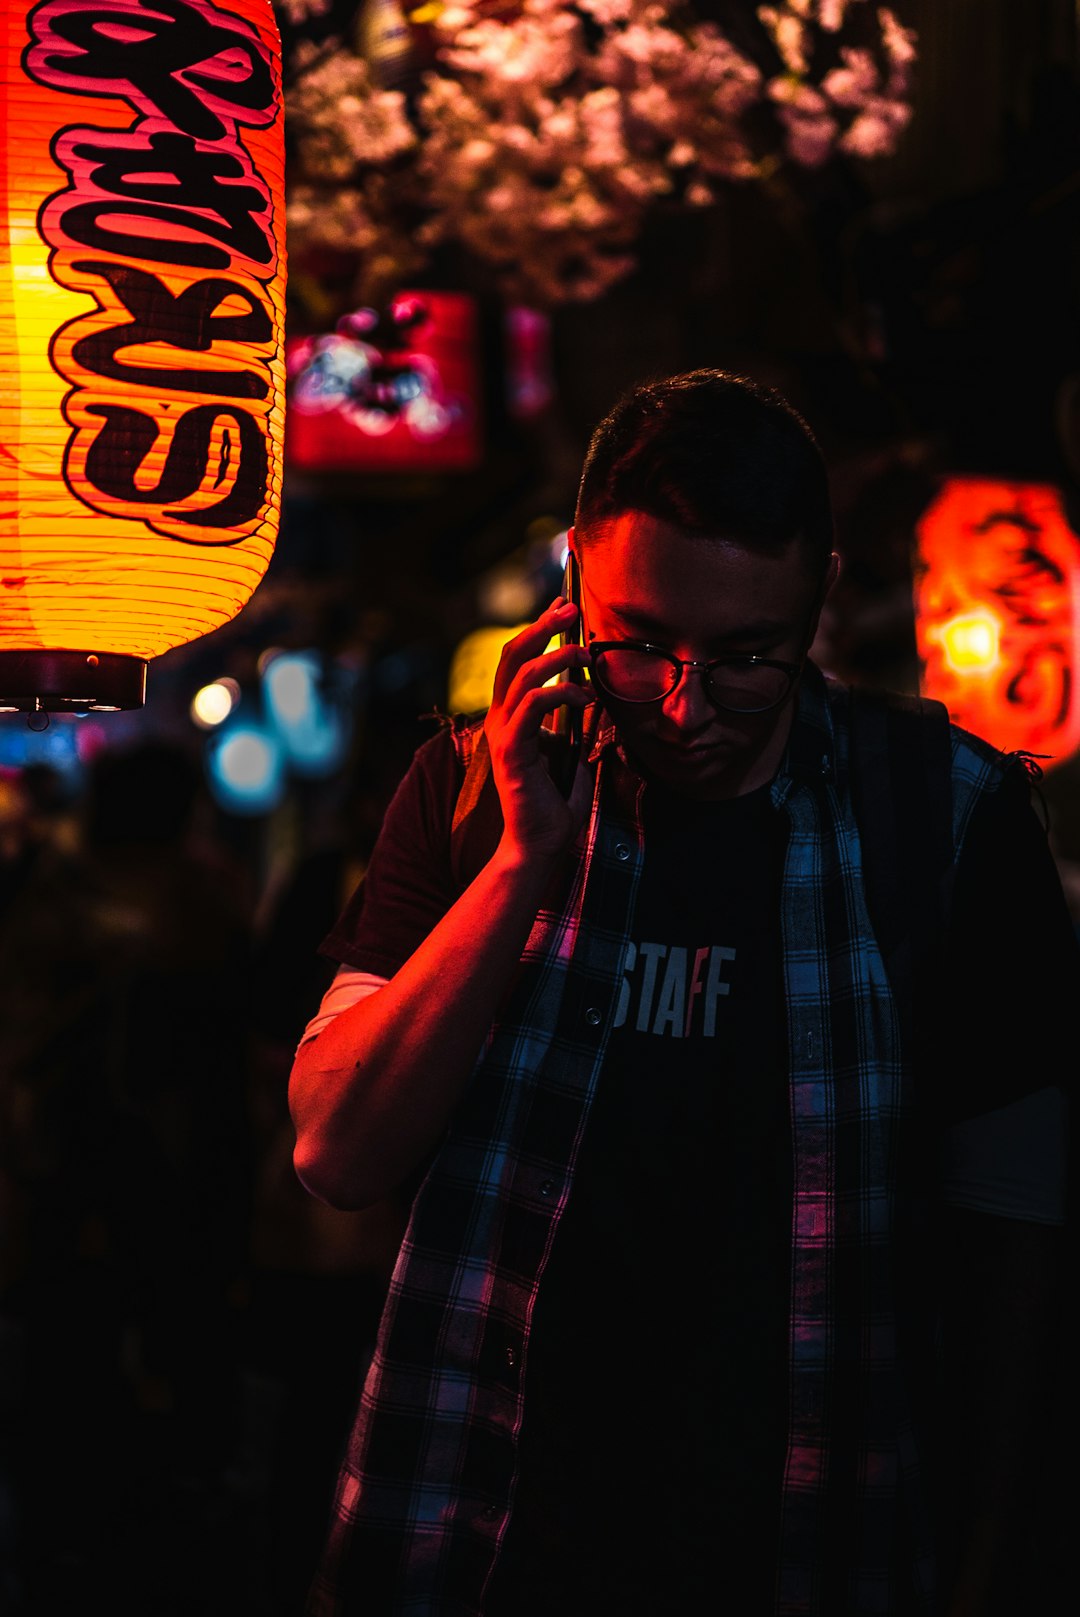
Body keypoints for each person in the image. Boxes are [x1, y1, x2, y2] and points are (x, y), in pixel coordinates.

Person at [288, 369, 1078, 1617]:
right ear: (569, 601)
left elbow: (1018, 1239)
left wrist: (990, 1561)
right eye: (639, 643)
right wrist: (519, 863)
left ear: (821, 594)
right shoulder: (464, 789)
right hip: (486, 1534)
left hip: (821, 1536)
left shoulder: (947, 813)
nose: (684, 706)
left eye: (746, 658)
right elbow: (338, 1146)